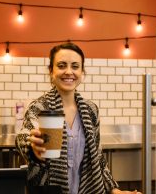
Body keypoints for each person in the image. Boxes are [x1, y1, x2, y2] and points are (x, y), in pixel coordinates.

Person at [16, 42, 141, 194]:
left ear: (82, 72)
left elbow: (98, 158)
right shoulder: (40, 107)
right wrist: (32, 148)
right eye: (61, 66)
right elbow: (23, 136)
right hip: (48, 190)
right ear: (51, 71)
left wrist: (115, 190)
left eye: (75, 66)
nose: (69, 72)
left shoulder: (90, 110)